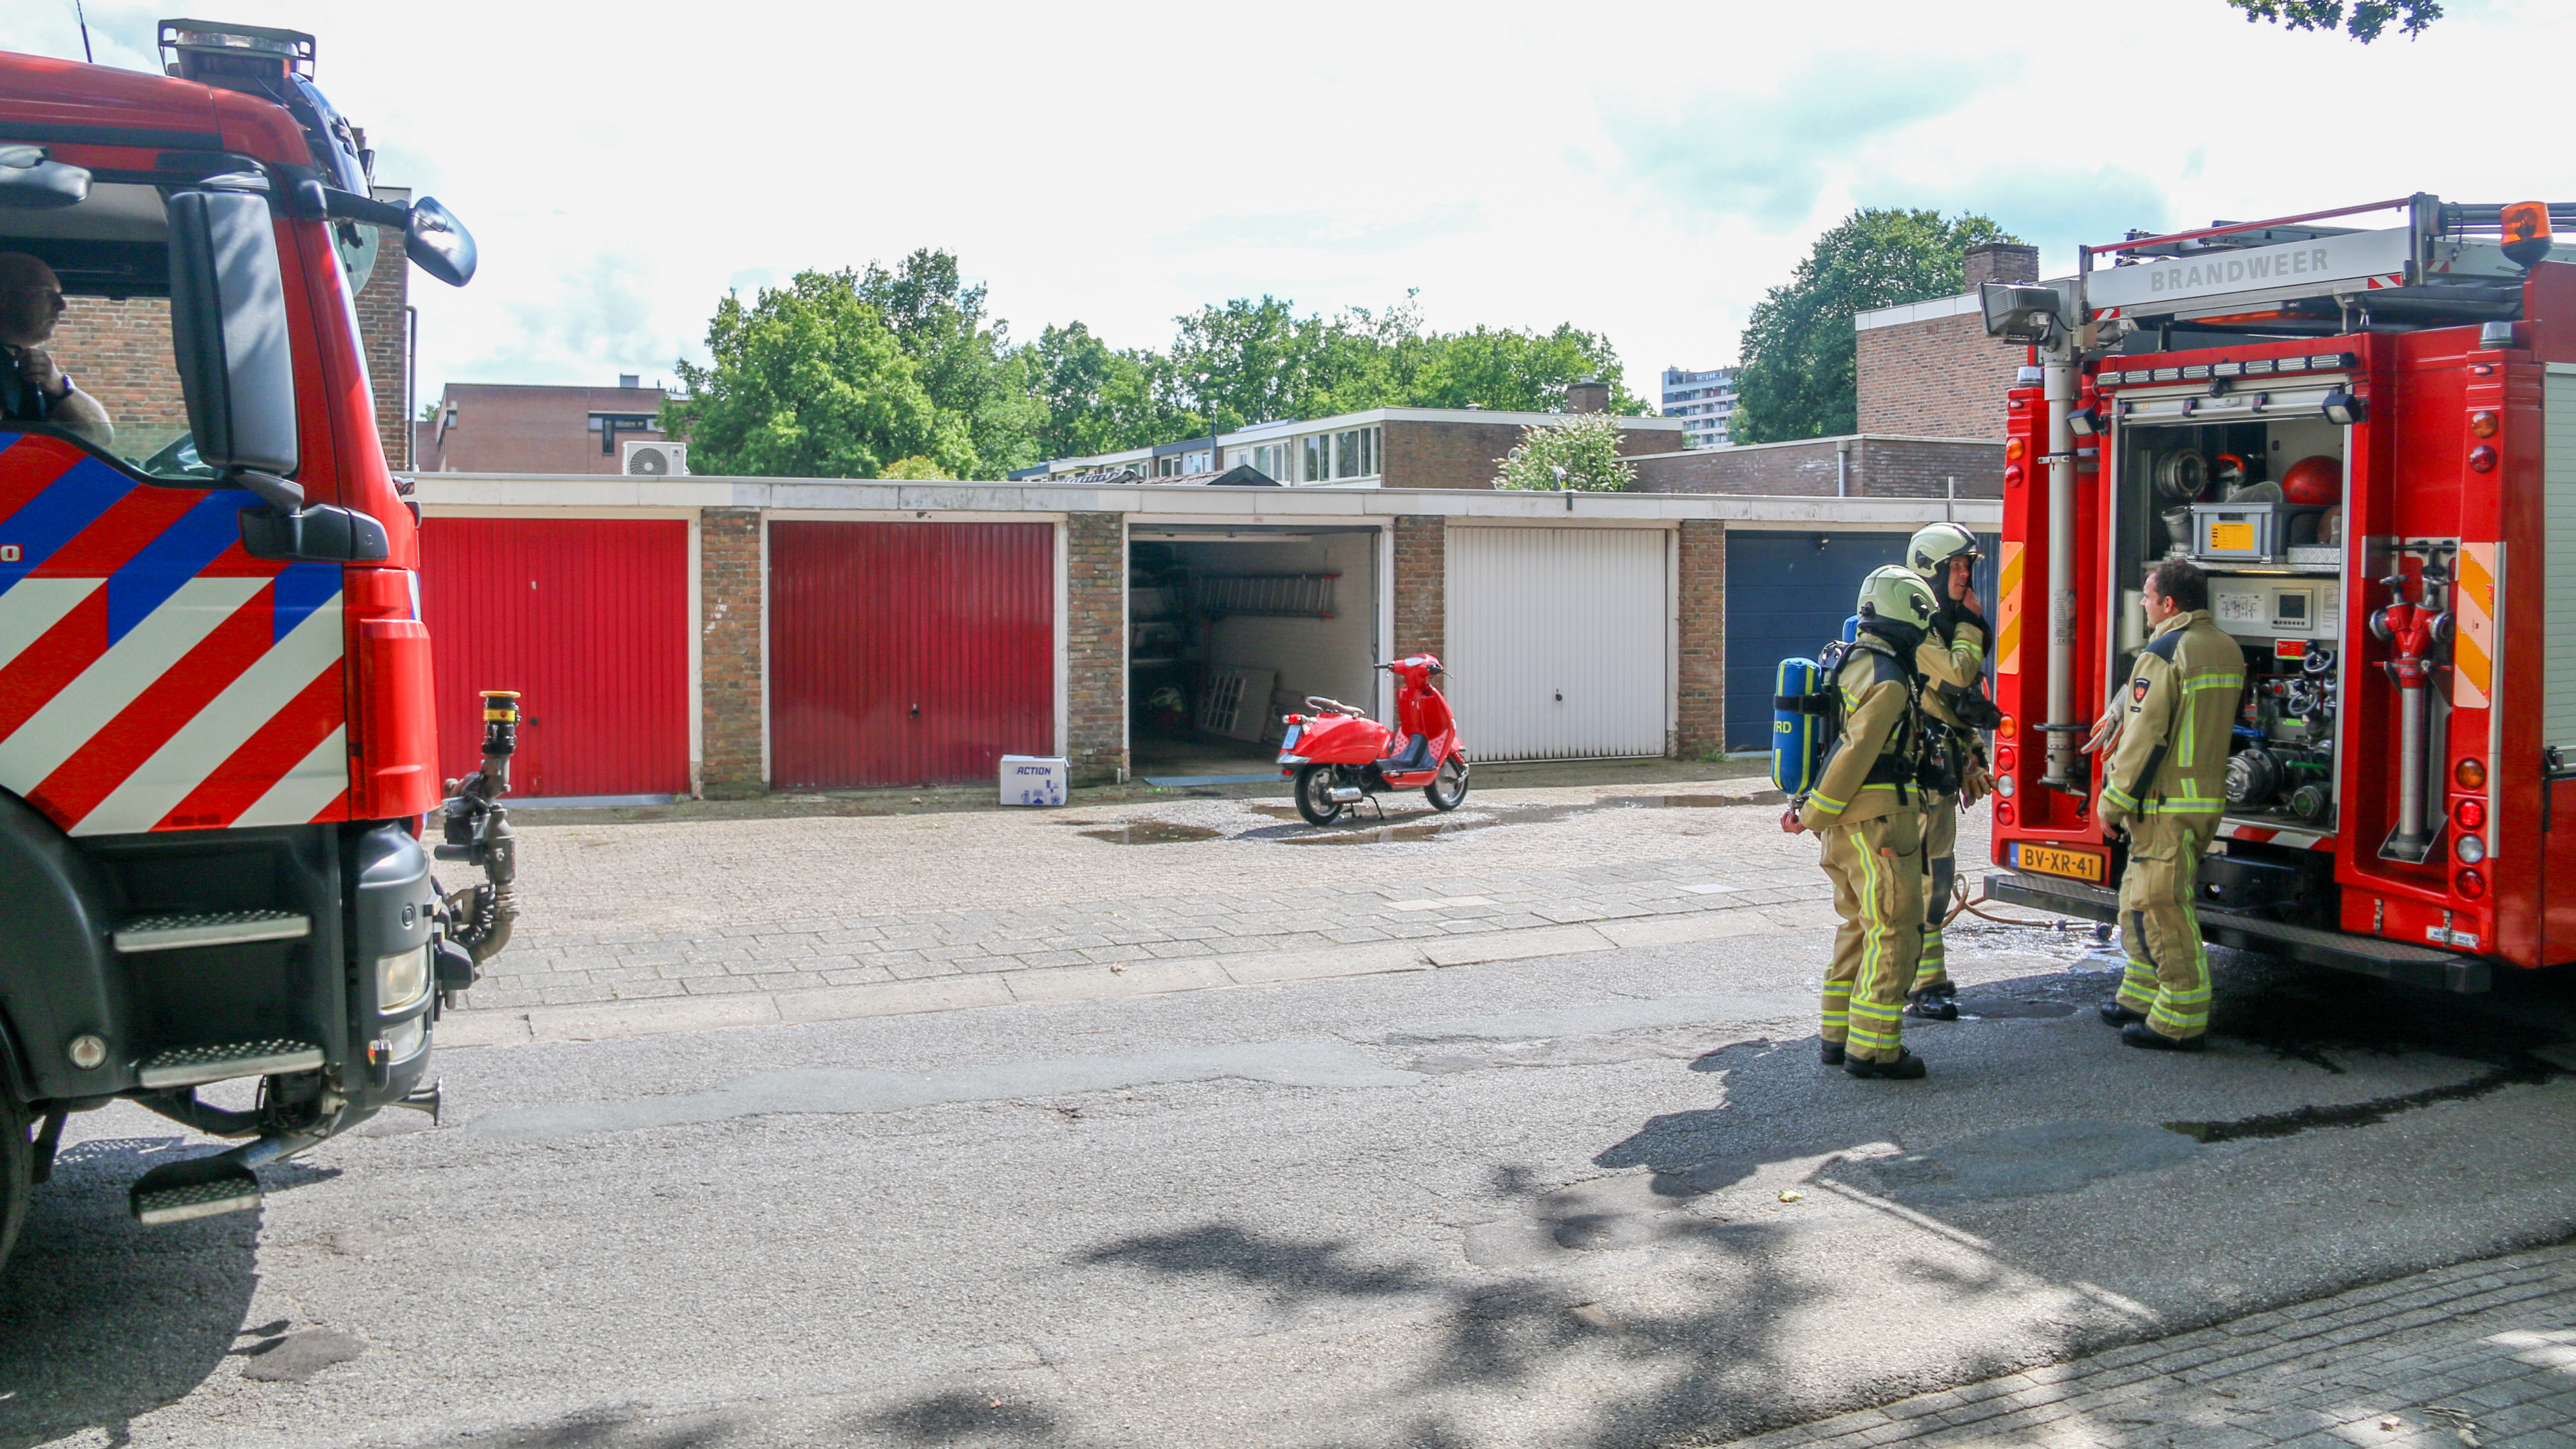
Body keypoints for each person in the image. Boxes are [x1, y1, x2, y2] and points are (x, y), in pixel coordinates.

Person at [1783, 565, 1940, 1080]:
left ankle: (1837, 1036)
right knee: (1894, 931)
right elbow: (1856, 752)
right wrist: (1813, 814)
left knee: (1856, 928)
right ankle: (1874, 1050)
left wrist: (1814, 814)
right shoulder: (1890, 680)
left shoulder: (1850, 662)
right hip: (1879, 826)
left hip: (1843, 832)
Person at [2088, 558, 2244, 1052]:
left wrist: (2112, 802)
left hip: (2163, 806)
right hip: (2197, 803)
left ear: (2169, 604)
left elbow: (2145, 737)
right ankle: (2140, 993)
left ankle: (2179, 1019)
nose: (2142, 603)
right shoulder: (2224, 648)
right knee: (2137, 897)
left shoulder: (2164, 652)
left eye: (2148, 596)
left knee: (2161, 907)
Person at [1900, 523, 1998, 1021]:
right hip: (1912, 781)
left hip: (1939, 774)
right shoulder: (1917, 630)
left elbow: (1961, 699)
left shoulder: (1947, 626)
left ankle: (1922, 977)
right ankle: (1920, 983)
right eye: (1957, 567)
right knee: (1918, 881)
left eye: (1968, 566)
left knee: (1937, 876)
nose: (1965, 575)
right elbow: (1958, 672)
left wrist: (1975, 750)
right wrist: (1973, 627)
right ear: (1931, 571)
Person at [0, 251, 115, 451]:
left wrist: (58, 385)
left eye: (59, 295)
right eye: (46, 292)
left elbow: (101, 436)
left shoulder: (23, 366)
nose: (62, 305)